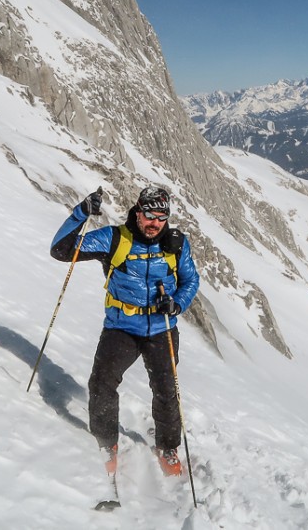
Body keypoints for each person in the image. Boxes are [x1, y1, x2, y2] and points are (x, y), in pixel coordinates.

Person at [50, 186, 200, 478]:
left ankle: (167, 446)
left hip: (162, 327)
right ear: (138, 211)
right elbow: (61, 250)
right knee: (102, 384)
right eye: (149, 215)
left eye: (161, 217)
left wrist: (177, 304)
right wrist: (81, 212)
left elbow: (190, 280)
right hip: (121, 327)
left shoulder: (176, 243)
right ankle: (107, 442)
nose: (155, 223)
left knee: (167, 391)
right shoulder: (114, 238)